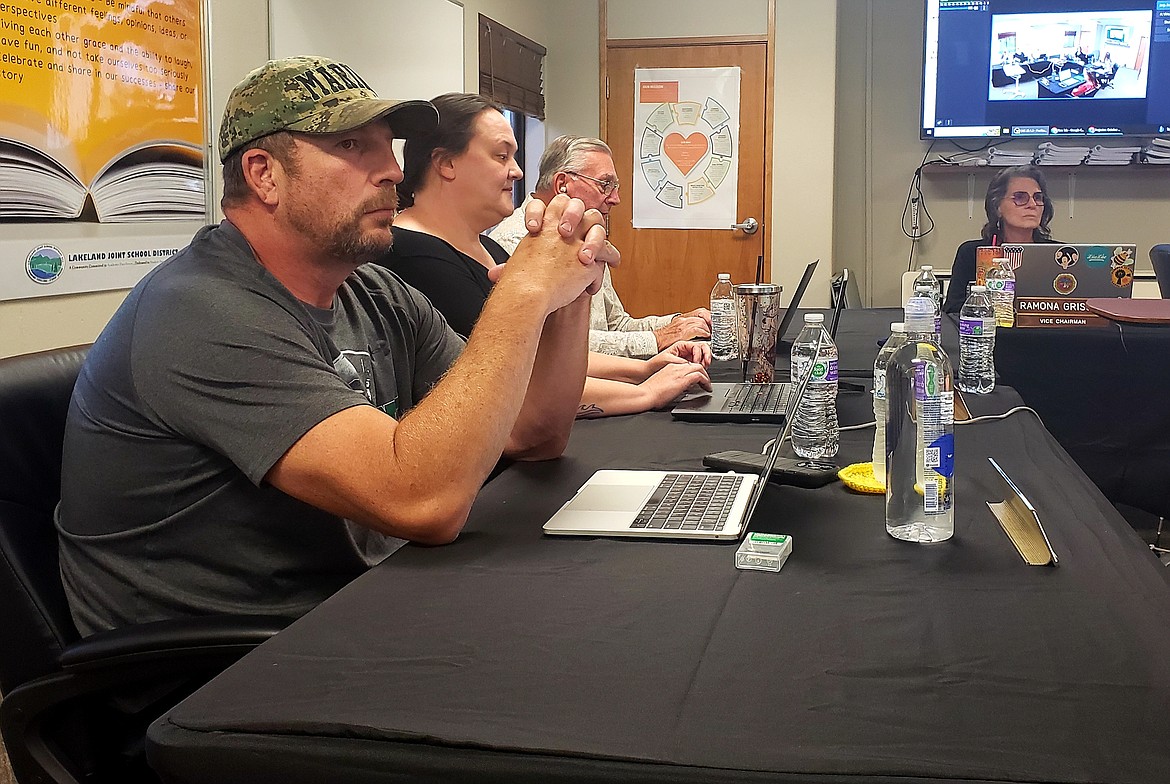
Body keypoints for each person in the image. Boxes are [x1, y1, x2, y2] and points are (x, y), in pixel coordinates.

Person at [55, 57, 618, 635]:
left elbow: (533, 433)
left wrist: (573, 285)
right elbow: (423, 501)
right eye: (353, 145)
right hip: (218, 673)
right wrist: (523, 291)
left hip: (352, 608)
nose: (393, 172)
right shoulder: (200, 311)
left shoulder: (372, 290)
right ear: (263, 174)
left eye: (389, 147)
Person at [384, 93, 711, 419]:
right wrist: (645, 392)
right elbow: (512, 387)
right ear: (445, 164)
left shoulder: (491, 251)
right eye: (501, 156)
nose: (517, 172)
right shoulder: (414, 259)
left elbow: (545, 353)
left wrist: (643, 369)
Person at [490, 135, 712, 358]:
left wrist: (679, 322)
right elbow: (553, 345)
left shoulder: (587, 236)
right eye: (605, 185)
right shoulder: (516, 243)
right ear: (562, 185)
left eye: (615, 187)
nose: (615, 198)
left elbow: (615, 325)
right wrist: (658, 338)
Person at [941, 164, 1055, 313]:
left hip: (1047, 335)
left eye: (1038, 198)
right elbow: (953, 310)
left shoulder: (1057, 254)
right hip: (990, 333)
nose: (1032, 205)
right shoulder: (971, 253)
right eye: (1020, 197)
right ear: (997, 207)